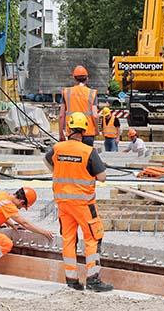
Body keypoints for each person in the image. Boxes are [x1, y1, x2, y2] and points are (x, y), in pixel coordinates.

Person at [46, 112, 114, 292]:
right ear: (84, 130)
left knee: (68, 239)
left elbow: (47, 161)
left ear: (68, 128)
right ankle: (92, 279)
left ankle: (72, 279)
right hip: (84, 205)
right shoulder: (88, 151)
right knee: (92, 237)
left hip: (63, 203)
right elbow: (102, 177)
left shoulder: (58, 148)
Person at [59, 65, 98, 146]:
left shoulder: (66, 92)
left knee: (74, 156)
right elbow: (95, 115)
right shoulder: (92, 93)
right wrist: (97, 130)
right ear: (87, 78)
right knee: (87, 156)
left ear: (74, 78)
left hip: (72, 132)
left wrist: (61, 134)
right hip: (88, 131)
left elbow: (61, 115)